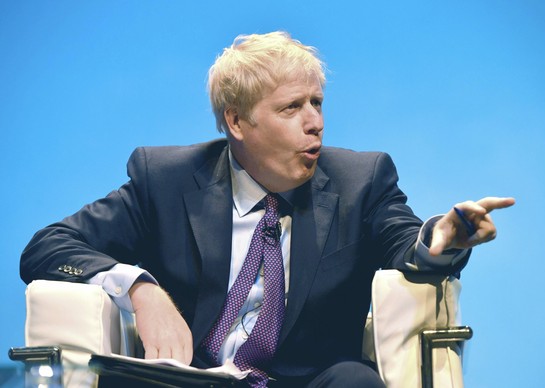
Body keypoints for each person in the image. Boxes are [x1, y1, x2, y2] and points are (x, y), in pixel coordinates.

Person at [20, 31, 515, 387]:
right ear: (237, 121)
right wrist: (140, 289)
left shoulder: (362, 181)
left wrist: (439, 240)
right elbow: (46, 248)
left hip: (307, 380)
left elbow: (404, 242)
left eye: (317, 103)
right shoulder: (166, 180)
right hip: (191, 379)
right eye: (291, 108)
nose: (315, 123)